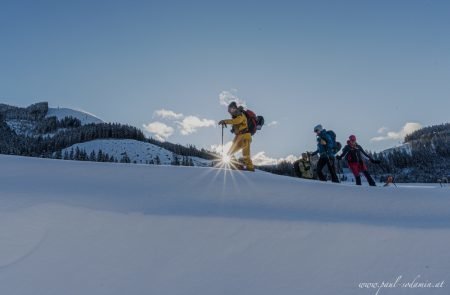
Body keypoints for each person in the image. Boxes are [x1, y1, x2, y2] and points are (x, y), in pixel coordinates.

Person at [218, 102, 254, 171]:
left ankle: (250, 169)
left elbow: (238, 121)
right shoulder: (235, 116)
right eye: (229, 111)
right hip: (238, 138)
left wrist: (225, 121)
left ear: (234, 108)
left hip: (245, 136)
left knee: (245, 154)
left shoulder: (240, 114)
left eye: (231, 110)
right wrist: (233, 129)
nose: (230, 112)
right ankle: (236, 166)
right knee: (229, 153)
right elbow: (237, 124)